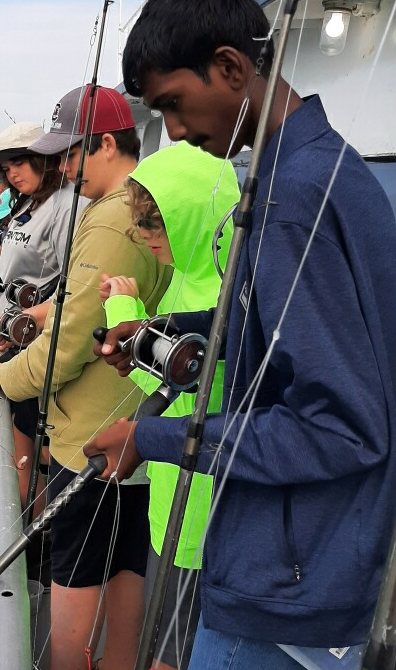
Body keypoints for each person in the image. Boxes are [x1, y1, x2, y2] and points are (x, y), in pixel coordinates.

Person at [85, 0, 396, 669]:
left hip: (288, 585)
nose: (173, 132)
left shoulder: (291, 200)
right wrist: (154, 336)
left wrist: (154, 436)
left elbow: (339, 427)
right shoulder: (316, 168)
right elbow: (268, 320)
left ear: (229, 67)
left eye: (173, 105)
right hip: (312, 563)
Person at [0, 84, 172, 670]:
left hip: (90, 440)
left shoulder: (109, 220)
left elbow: (72, 338)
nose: (62, 168)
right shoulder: (144, 204)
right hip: (135, 429)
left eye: (70, 154)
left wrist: (4, 376)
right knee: (127, 565)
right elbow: (87, 308)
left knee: (77, 583)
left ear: (107, 144)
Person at [100, 141, 239, 670]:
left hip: (200, 515)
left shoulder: (224, 292)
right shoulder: (191, 276)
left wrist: (122, 307)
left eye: (153, 224)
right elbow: (171, 373)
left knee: (174, 652)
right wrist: (133, 316)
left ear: (189, 219)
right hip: (170, 498)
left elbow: (179, 377)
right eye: (138, 223)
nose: (141, 235)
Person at [0, 121, 87, 516]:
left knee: (38, 452)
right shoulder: (28, 203)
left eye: (19, 161)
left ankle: (39, 535)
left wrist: (16, 322)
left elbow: (71, 286)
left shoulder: (66, 207)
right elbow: (23, 271)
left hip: (37, 350)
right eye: (7, 168)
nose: (12, 173)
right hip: (11, 341)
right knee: (23, 449)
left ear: (45, 158)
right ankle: (32, 526)